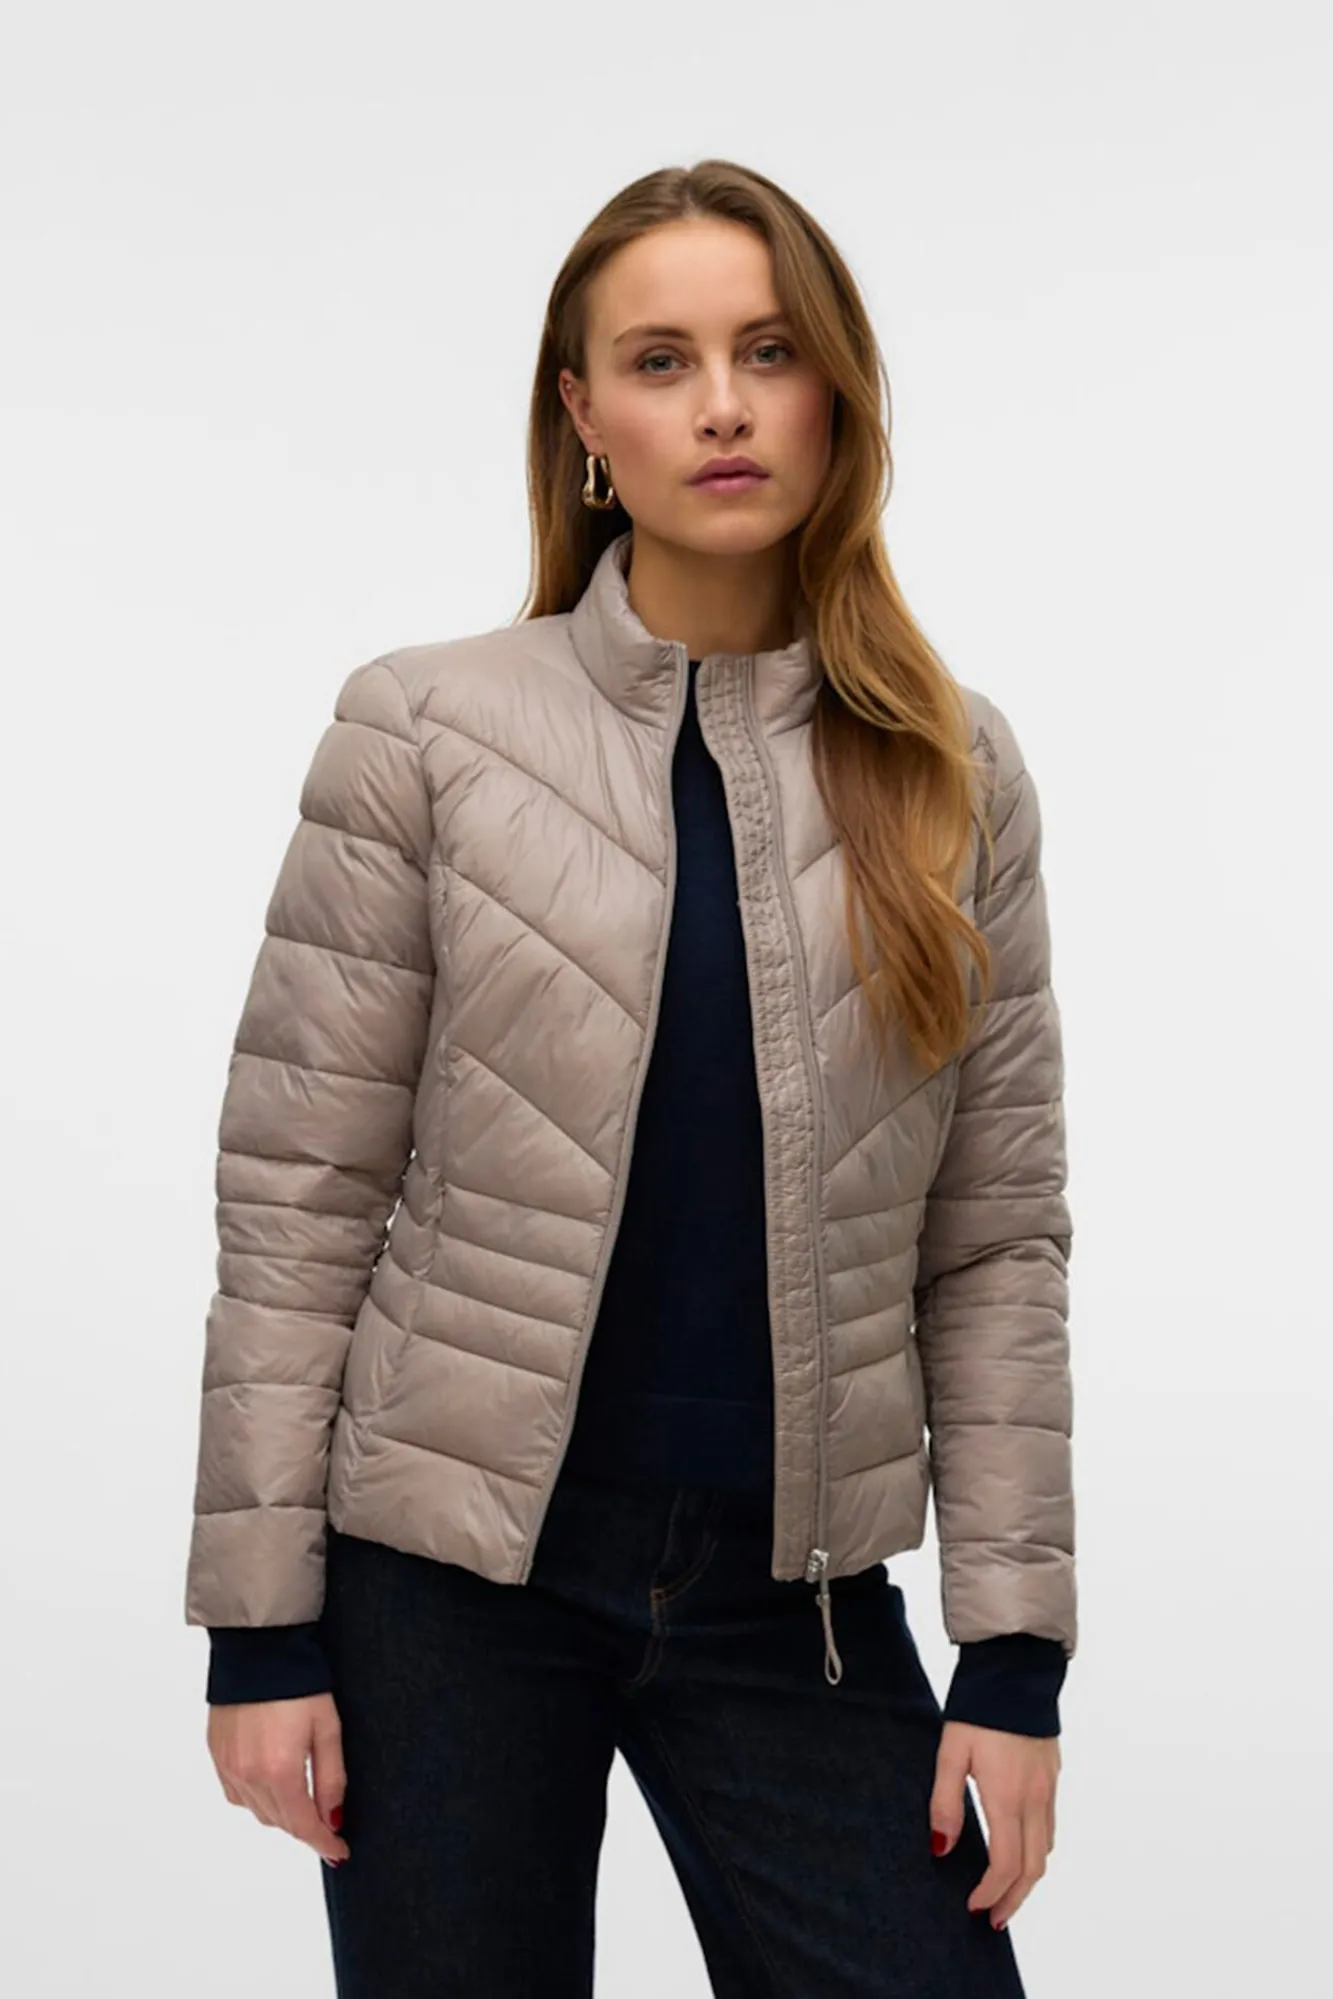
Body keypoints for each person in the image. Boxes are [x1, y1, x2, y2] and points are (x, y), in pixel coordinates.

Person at [184, 156, 1076, 1998]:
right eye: (662, 361)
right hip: (446, 1586)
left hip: (796, 1599)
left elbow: (996, 1240)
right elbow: (299, 1198)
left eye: (769, 350)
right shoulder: (427, 729)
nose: (724, 404)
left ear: (837, 391)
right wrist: (260, 1625)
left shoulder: (953, 768)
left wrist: (1012, 1658)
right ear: (585, 415)